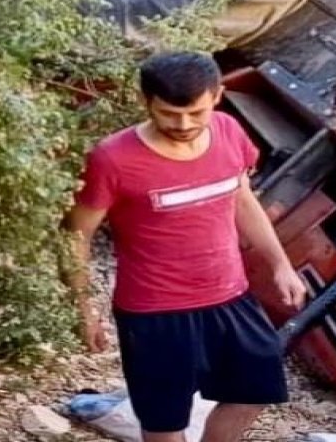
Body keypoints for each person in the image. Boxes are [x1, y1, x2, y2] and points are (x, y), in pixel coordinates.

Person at [64, 50, 308, 442]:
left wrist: (281, 264)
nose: (183, 124)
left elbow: (242, 200)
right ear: (146, 103)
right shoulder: (112, 158)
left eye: (195, 113)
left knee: (255, 392)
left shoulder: (229, 132)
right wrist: (82, 308)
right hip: (155, 313)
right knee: (164, 423)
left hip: (230, 297)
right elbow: (76, 235)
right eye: (168, 114)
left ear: (217, 95)